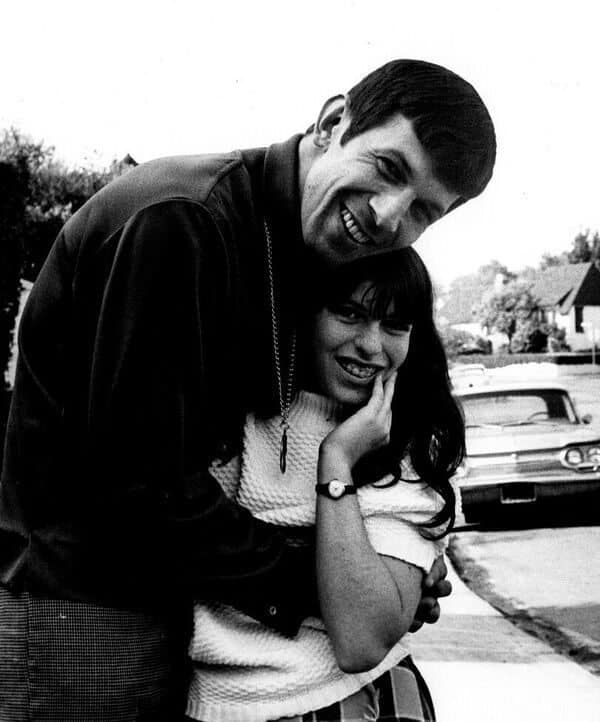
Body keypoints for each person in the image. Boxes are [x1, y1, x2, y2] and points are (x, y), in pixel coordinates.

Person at [0, 59, 495, 720]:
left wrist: (378, 577)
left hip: (181, 616)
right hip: (86, 606)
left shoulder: (292, 247)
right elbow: (138, 481)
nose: (387, 216)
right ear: (330, 123)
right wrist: (328, 587)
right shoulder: (183, 220)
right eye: (388, 168)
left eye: (424, 212)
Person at [186, 248, 463, 722]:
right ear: (305, 310)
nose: (372, 346)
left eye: (395, 324)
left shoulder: (407, 441)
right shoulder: (229, 415)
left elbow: (360, 639)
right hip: (218, 703)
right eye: (350, 313)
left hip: (353, 698)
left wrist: (335, 461)